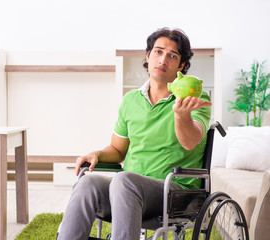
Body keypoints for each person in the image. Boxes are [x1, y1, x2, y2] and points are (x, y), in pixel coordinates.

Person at [57, 27, 212, 240]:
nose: (163, 60)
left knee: (124, 180)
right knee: (88, 182)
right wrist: (98, 154)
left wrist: (181, 115)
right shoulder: (130, 100)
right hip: (127, 192)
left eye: (172, 56)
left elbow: (190, 141)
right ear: (147, 56)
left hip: (174, 193)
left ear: (181, 66)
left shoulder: (193, 98)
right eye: (158, 52)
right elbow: (118, 150)